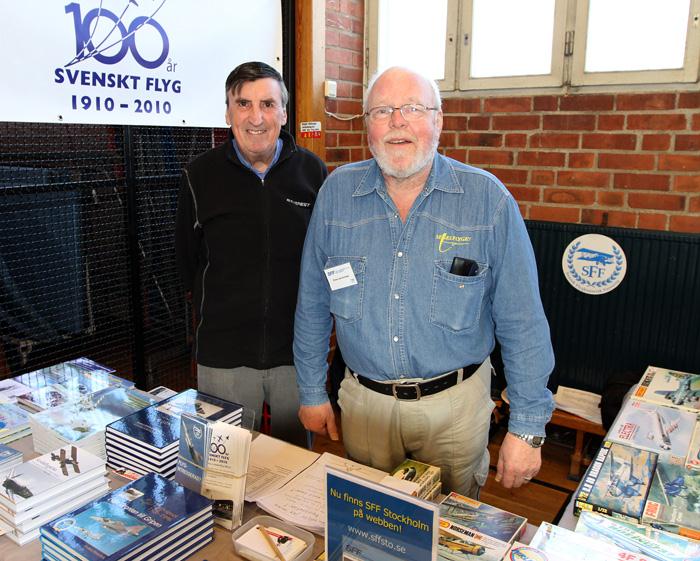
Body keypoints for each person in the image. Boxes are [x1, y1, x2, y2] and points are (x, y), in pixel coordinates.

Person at [293, 66, 554, 497]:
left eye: (413, 108)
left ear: (438, 120)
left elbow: (522, 320)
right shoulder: (336, 194)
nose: (397, 121)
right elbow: (313, 304)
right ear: (366, 126)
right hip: (364, 407)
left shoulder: (487, 200)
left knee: (448, 533)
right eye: (382, 111)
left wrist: (527, 427)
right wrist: (310, 390)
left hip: (454, 409)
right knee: (370, 527)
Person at [175, 61, 327, 447]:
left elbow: (327, 259)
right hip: (224, 358)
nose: (256, 117)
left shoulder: (314, 174)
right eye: (243, 104)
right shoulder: (199, 175)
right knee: (224, 476)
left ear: (284, 113)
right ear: (227, 113)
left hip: (297, 357)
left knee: (294, 470)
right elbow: (185, 261)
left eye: (268, 104)